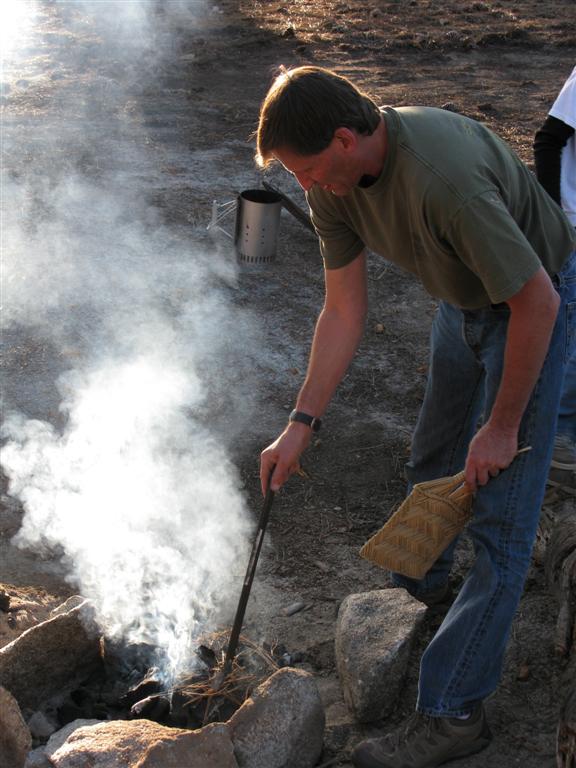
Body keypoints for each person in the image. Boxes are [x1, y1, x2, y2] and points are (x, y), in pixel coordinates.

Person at [255, 66, 576, 768]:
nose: (304, 185)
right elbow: (343, 310)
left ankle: (454, 712)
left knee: (500, 518)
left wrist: (502, 427)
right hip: (462, 302)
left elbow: (539, 304)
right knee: (433, 458)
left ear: (345, 140)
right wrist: (300, 423)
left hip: (533, 306)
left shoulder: (443, 181)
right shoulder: (335, 186)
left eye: (306, 169)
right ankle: (421, 597)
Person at [534, 65, 576, 488]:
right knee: (570, 334)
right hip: (572, 224)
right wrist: (553, 221)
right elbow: (548, 140)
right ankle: (558, 438)